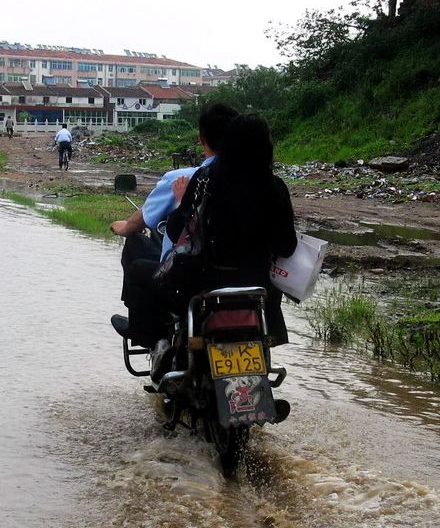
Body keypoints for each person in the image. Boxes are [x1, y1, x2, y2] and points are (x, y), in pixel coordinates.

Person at [108, 103, 238, 347]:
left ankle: (146, 332)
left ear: (201, 139)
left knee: (137, 252)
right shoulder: (261, 186)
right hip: (246, 278)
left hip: (193, 276)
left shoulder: (191, 178)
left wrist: (126, 227)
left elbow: (163, 223)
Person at [162, 113, 298, 344]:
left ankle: (162, 348)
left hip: (205, 286)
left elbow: (176, 231)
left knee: (146, 275)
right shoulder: (274, 189)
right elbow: (287, 247)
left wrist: (181, 203)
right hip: (259, 292)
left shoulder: (204, 180)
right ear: (267, 147)